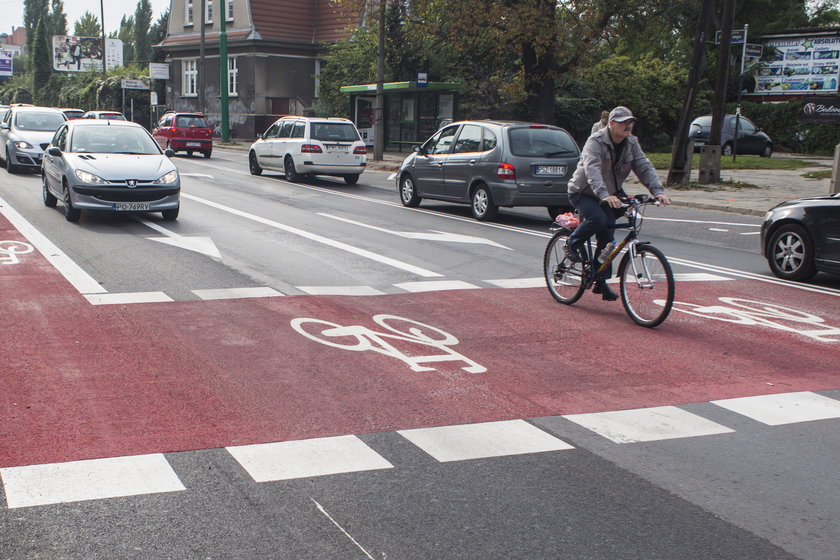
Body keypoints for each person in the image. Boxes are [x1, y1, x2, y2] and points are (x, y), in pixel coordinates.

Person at [565, 106, 671, 301]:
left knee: (608, 236)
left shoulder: (631, 142)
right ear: (611, 123)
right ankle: (572, 243)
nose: (628, 125)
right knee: (598, 220)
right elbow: (592, 170)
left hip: (611, 193)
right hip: (584, 191)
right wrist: (604, 194)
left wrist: (657, 191)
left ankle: (601, 281)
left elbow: (643, 166)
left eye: (630, 122)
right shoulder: (595, 141)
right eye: (623, 122)